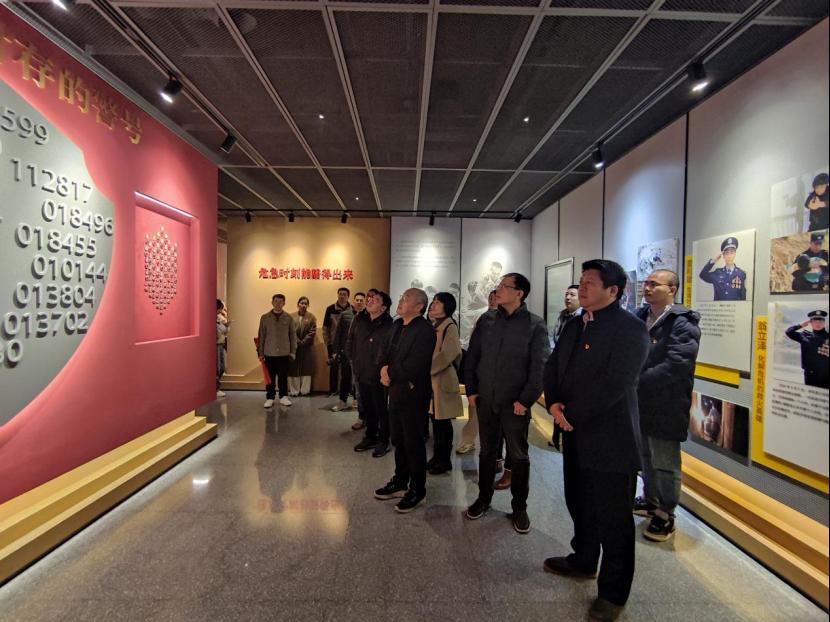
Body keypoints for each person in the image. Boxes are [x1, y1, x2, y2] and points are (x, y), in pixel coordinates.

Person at [542, 259, 649, 622]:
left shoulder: (629, 328)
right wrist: (553, 402)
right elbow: (553, 365)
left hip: (610, 438)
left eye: (590, 282)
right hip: (573, 431)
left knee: (614, 518)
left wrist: (571, 414)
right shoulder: (575, 324)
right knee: (579, 500)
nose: (582, 287)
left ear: (613, 291)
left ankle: (613, 593)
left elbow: (616, 383)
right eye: (582, 280)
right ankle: (584, 559)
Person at [464, 273, 550, 534]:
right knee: (487, 452)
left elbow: (539, 368)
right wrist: (472, 390)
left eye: (504, 286)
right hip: (487, 399)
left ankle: (519, 507)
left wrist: (526, 400)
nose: (498, 289)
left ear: (519, 293)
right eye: (498, 285)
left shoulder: (535, 324)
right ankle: (483, 499)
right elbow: (473, 356)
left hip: (515, 404)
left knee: (519, 455)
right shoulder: (487, 320)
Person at [632, 270, 701, 542]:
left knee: (664, 461)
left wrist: (637, 380)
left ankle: (666, 513)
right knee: (645, 455)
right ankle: (650, 500)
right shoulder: (640, 316)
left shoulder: (683, 322)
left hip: (667, 403)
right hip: (640, 401)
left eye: (654, 284)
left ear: (672, 289)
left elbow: (678, 364)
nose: (647, 288)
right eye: (646, 283)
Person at [373, 288, 435, 513]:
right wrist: (383, 368)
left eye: (406, 298)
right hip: (395, 391)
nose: (400, 301)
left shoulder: (425, 330)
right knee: (398, 439)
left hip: (413, 393)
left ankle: (418, 489)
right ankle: (400, 481)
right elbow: (384, 351)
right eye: (401, 297)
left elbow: (416, 364)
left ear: (419, 306)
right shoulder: (397, 325)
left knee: (413, 442)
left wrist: (390, 373)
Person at [350, 290, 394, 457]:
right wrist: (353, 361)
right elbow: (351, 341)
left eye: (375, 299)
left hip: (379, 374)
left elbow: (389, 351)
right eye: (369, 298)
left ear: (383, 308)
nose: (369, 300)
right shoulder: (360, 320)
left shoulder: (389, 325)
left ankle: (383, 440)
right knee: (367, 408)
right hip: (362, 371)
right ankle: (370, 436)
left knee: (381, 409)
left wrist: (385, 370)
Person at [456, 289, 498, 455]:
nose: (493, 301)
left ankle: (495, 450)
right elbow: (474, 346)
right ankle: (468, 441)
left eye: (496, 298)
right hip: (481, 372)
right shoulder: (483, 318)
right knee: (475, 409)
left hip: (497, 375)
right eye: (491, 298)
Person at [427, 293, 463, 475]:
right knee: (436, 421)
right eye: (433, 302)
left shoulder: (450, 326)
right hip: (434, 380)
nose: (433, 305)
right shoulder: (436, 325)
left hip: (443, 379)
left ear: (447, 306)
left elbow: (450, 353)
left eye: (438, 302)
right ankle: (437, 457)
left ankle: (444, 460)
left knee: (443, 422)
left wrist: (428, 369)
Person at [548, 284, 582, 450]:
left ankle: (565, 438)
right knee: (557, 402)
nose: (568, 298)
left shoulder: (582, 319)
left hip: (573, 372)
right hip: (559, 367)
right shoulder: (563, 316)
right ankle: (557, 437)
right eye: (567, 294)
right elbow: (554, 337)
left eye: (572, 295)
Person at [257, 294, 297, 409]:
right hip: (269, 352)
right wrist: (260, 353)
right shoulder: (265, 318)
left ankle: (283, 396)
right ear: (272, 302)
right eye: (276, 301)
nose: (278, 303)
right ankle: (270, 397)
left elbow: (293, 336)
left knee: (283, 376)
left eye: (280, 301)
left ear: (284, 303)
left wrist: (293, 352)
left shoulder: (288, 318)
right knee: (270, 377)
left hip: (284, 353)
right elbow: (261, 336)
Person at [330, 293, 364, 412]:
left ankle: (357, 400)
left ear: (364, 302)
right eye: (357, 300)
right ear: (353, 301)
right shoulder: (345, 315)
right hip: (346, 352)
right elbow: (338, 333)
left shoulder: (368, 316)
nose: (359, 302)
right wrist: (335, 351)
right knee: (345, 377)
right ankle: (342, 401)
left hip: (361, 354)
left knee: (359, 378)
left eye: (361, 300)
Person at [785, 310, 829, 389]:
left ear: (824, 322)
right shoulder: (804, 336)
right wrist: (801, 325)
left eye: (820, 321)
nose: (818, 324)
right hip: (810, 375)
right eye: (815, 321)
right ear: (811, 323)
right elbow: (789, 332)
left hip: (826, 375)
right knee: (810, 395)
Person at [698, 237, 747, 301]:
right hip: (719, 307)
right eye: (727, 253)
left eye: (731, 252)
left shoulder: (741, 274)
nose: (729, 256)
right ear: (723, 256)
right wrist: (713, 261)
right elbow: (702, 275)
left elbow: (743, 297)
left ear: (735, 254)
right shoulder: (717, 273)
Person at [323, 288, 352, 396]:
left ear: (348, 296)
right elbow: (325, 328)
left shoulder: (352, 309)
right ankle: (333, 390)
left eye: (344, 294)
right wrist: (328, 343)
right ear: (337, 295)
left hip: (347, 344)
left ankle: (347, 390)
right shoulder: (330, 309)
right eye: (340, 294)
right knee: (334, 367)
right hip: (333, 344)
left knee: (347, 368)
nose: (342, 296)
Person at [288, 297, 316, 397]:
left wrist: (303, 342)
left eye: (305, 304)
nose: (303, 305)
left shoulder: (311, 317)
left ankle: (305, 391)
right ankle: (294, 391)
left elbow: (312, 332)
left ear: (308, 305)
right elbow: (290, 331)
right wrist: (297, 341)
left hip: (306, 347)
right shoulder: (291, 317)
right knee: (293, 368)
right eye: (302, 303)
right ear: (298, 304)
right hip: (294, 347)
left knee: (306, 368)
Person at [216, 299, 230, 398]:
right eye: (219, 309)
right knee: (217, 367)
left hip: (221, 343)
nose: (220, 311)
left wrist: (226, 326)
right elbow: (219, 331)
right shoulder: (209, 318)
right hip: (215, 344)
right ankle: (215, 389)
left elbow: (225, 331)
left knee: (222, 367)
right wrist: (223, 327)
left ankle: (216, 387)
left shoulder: (219, 317)